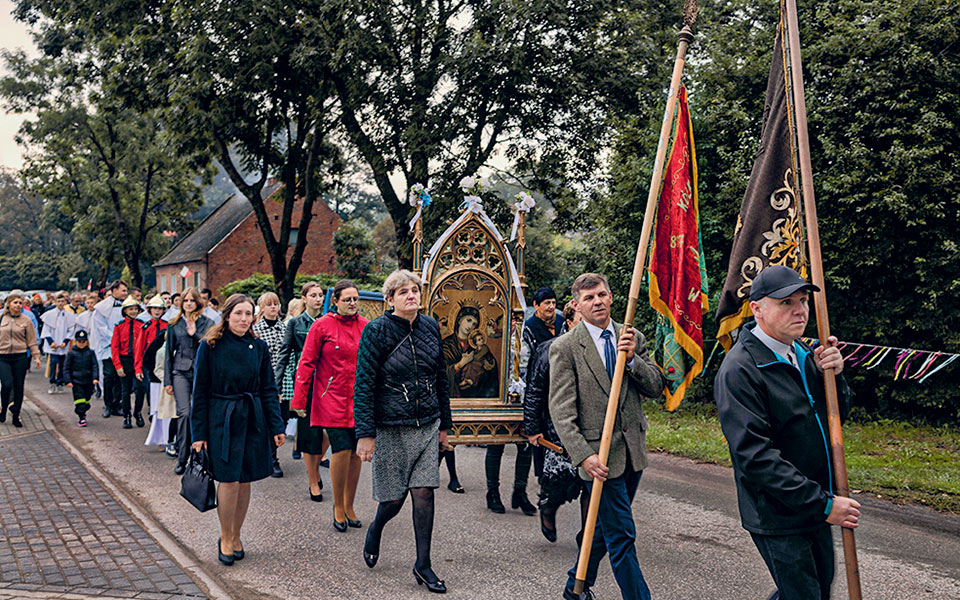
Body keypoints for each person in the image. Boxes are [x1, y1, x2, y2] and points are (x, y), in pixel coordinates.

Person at [714, 266, 860, 600]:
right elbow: (755, 457)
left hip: (815, 503)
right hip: (778, 512)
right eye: (785, 302)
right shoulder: (740, 369)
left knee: (817, 591)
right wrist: (823, 504)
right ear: (757, 308)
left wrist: (834, 376)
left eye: (803, 300)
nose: (800, 310)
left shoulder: (803, 353)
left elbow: (837, 418)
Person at [549, 272, 666, 600]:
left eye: (601, 295)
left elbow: (655, 387)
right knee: (622, 537)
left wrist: (631, 361)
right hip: (598, 459)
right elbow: (561, 411)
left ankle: (576, 586)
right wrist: (583, 456)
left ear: (612, 297)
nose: (597, 302)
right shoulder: (566, 348)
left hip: (633, 453)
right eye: (589, 298)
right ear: (576, 305)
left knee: (602, 528)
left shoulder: (631, 337)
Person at [354, 269, 452, 593]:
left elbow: (441, 378)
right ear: (390, 299)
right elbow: (364, 385)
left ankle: (423, 564)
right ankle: (376, 527)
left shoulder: (430, 326)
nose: (411, 295)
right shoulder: (376, 332)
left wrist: (445, 427)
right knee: (394, 500)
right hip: (390, 428)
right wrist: (365, 433)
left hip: (427, 424)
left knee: (424, 492)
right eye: (403, 292)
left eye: (415, 290)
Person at [190, 294, 285, 566]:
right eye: (238, 313)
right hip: (222, 419)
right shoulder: (210, 346)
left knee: (245, 480)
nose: (244, 319)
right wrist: (199, 435)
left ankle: (237, 533)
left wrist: (276, 425)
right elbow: (200, 393)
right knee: (229, 479)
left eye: (248, 314)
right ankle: (225, 535)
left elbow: (268, 389)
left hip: (252, 418)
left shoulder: (259, 347)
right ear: (227, 315)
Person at [293, 280, 369, 531]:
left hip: (358, 398)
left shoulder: (365, 327)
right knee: (342, 448)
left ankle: (350, 504)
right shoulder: (322, 326)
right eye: (347, 299)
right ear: (334, 300)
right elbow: (306, 362)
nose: (352, 303)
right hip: (331, 397)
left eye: (355, 299)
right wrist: (299, 399)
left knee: (357, 453)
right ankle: (337, 505)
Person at [524, 301, 584, 543]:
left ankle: (587, 533)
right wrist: (532, 428)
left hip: (591, 423)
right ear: (568, 323)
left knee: (590, 481)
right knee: (559, 481)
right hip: (556, 425)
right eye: (581, 321)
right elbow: (535, 390)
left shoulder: (600, 346)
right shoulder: (549, 349)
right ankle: (548, 509)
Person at [276, 282, 329, 499]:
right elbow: (284, 353)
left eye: (321, 295)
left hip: (328, 383)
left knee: (328, 432)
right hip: (306, 382)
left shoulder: (329, 321)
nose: (318, 298)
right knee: (308, 433)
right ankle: (312, 479)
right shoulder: (295, 323)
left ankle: (316, 466)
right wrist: (277, 384)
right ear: (304, 298)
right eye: (314, 295)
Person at [164, 287, 214, 474]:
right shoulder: (174, 324)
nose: (189, 304)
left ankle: (200, 455)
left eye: (193, 300)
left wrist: (195, 334)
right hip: (180, 371)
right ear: (181, 303)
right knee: (184, 413)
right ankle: (182, 457)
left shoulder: (207, 322)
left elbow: (211, 344)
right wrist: (167, 380)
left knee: (200, 413)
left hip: (201, 372)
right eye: (186, 300)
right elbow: (169, 354)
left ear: (198, 303)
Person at [252, 291, 287, 478]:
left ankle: (273, 454)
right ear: (262, 308)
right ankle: (271, 459)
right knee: (265, 420)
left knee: (280, 418)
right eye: (269, 304)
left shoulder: (284, 327)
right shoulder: (257, 329)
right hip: (262, 380)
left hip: (281, 380)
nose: (273, 307)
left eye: (276, 304)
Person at [0, 291, 43, 427]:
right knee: (6, 384)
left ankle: (16, 416)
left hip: (20, 356)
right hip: (3, 356)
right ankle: (3, 409)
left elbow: (31, 341)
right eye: (15, 303)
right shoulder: (1, 318)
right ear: (8, 304)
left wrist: (36, 357)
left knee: (19, 386)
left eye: (20, 303)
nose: (18, 305)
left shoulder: (26, 320)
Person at [94, 280, 129, 418]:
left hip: (124, 347)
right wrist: (115, 339)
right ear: (114, 291)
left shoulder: (127, 305)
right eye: (123, 290)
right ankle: (107, 405)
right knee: (109, 377)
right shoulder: (102, 307)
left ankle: (117, 404)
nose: (125, 293)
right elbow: (101, 328)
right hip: (108, 347)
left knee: (121, 377)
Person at [135, 295, 169, 429]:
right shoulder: (145, 327)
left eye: (160, 309)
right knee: (151, 392)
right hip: (150, 365)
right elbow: (139, 349)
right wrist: (138, 368)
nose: (157, 311)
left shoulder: (168, 325)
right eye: (154, 308)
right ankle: (153, 414)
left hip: (164, 363)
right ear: (149, 310)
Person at [111, 297, 143, 429]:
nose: (133, 311)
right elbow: (114, 348)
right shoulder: (119, 326)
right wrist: (118, 366)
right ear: (125, 311)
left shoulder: (141, 325)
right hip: (124, 361)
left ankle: (138, 413)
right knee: (125, 391)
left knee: (140, 389)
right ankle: (127, 416)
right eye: (130, 309)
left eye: (135, 309)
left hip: (138, 360)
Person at [41, 291, 77, 394]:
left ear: (66, 302)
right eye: (58, 301)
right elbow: (46, 330)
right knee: (53, 364)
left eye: (62, 301)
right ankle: (52, 382)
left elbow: (71, 330)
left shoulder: (70, 315)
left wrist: (65, 341)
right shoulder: (49, 315)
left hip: (62, 344)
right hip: (53, 344)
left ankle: (60, 382)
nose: (60, 303)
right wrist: (51, 342)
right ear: (55, 302)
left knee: (62, 365)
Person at [64, 329, 98, 427]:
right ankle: (81, 417)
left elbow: (94, 366)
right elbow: (66, 368)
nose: (82, 344)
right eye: (79, 342)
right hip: (76, 381)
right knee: (80, 400)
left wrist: (95, 378)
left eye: (84, 342)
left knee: (87, 400)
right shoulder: (71, 353)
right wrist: (68, 380)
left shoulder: (90, 353)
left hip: (88, 381)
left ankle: (84, 409)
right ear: (76, 342)